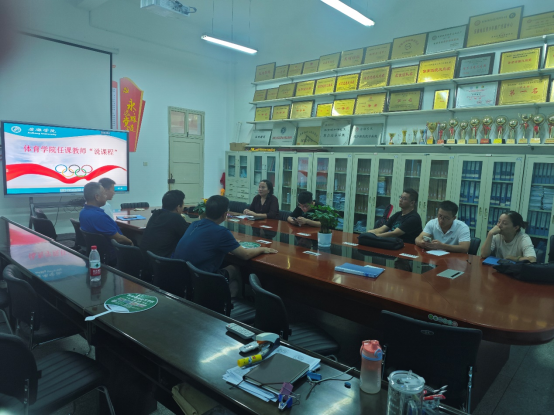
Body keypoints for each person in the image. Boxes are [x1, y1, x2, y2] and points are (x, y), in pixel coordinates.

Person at [173, 195, 277, 297]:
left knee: (230, 276)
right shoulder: (221, 232)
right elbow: (245, 255)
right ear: (225, 214)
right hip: (201, 280)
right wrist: (263, 249)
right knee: (234, 269)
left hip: (180, 278)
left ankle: (227, 298)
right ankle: (236, 303)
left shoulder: (194, 224)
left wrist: (230, 242)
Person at [79, 182, 133, 264]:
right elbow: (119, 239)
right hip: (114, 254)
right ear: (97, 197)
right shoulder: (99, 217)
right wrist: (131, 242)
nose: (106, 196)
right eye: (104, 194)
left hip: (100, 253)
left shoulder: (83, 212)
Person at [140, 190, 189, 259]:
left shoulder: (156, 214)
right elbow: (189, 235)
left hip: (146, 259)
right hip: (163, 261)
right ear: (178, 208)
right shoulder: (175, 217)